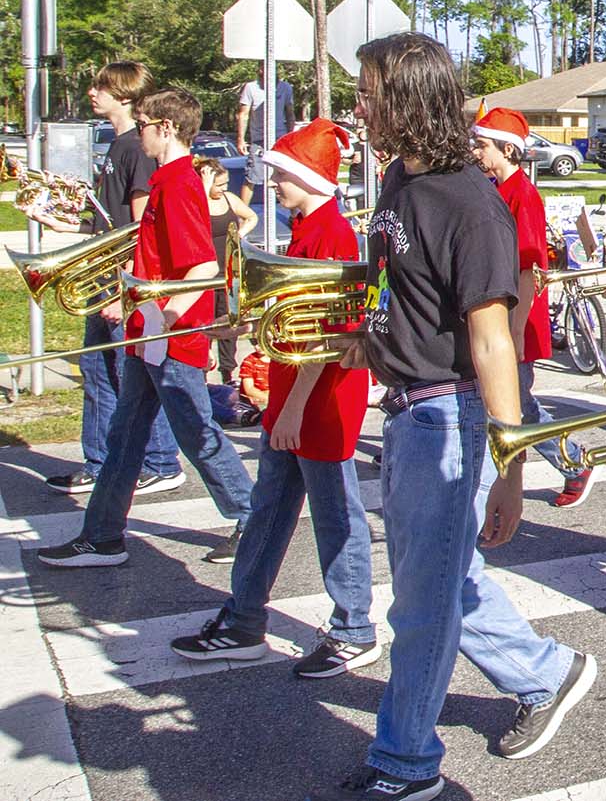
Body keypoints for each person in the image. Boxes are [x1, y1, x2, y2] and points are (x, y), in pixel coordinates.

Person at [307, 34, 595, 801]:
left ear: (405, 99)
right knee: (443, 579)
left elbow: (492, 339)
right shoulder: (398, 180)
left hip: (450, 416)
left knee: (421, 605)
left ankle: (405, 764)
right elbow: (403, 296)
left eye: (367, 94)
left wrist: (511, 468)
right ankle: (546, 672)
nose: (357, 109)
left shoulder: (470, 202)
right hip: (407, 408)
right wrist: (363, 342)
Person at [170, 119, 379, 678]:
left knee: (336, 518)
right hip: (293, 398)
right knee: (268, 513)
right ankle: (243, 619)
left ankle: (354, 629)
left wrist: (290, 410)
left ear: (307, 178)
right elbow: (291, 317)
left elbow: (326, 337)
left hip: (320, 403)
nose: (275, 185)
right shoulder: (307, 228)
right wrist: (245, 326)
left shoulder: (333, 235)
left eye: (282, 176)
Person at [37, 89, 255, 569]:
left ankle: (251, 518)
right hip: (150, 331)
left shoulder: (178, 183)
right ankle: (102, 536)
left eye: (143, 125)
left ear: (166, 127)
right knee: (125, 435)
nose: (139, 134)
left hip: (168, 335)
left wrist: (166, 317)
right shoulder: (166, 180)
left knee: (196, 432)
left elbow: (202, 266)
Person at [33, 61, 182, 496]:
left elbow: (140, 227)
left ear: (125, 95)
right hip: (104, 276)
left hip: (121, 281)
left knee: (130, 373)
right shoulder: (119, 145)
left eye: (102, 86)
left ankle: (159, 461)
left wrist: (126, 290)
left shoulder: (136, 148)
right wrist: (66, 224)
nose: (92, 92)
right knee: (97, 369)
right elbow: (109, 221)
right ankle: (100, 461)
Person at [472, 106, 594, 508]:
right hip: (500, 318)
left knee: (517, 407)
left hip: (514, 319)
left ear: (508, 149)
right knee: (509, 406)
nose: (476, 151)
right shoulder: (494, 189)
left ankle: (574, 463)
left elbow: (529, 269)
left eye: (483, 145)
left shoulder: (523, 195)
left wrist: (516, 328)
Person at [196, 156, 258, 386]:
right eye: (218, 184)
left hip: (229, 271)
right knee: (206, 324)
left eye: (226, 184)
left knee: (229, 322)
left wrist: (240, 234)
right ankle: (202, 370)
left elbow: (251, 216)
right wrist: (203, 188)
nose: (223, 189)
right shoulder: (199, 201)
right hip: (206, 274)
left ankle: (228, 372)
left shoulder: (230, 199)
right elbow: (196, 216)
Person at [237, 68, 298, 204]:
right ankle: (242, 212)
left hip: (280, 138)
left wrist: (291, 137)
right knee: (252, 176)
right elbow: (243, 114)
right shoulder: (251, 88)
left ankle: (294, 213)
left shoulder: (285, 87)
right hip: (259, 140)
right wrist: (241, 140)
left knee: (288, 174)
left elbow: (290, 113)